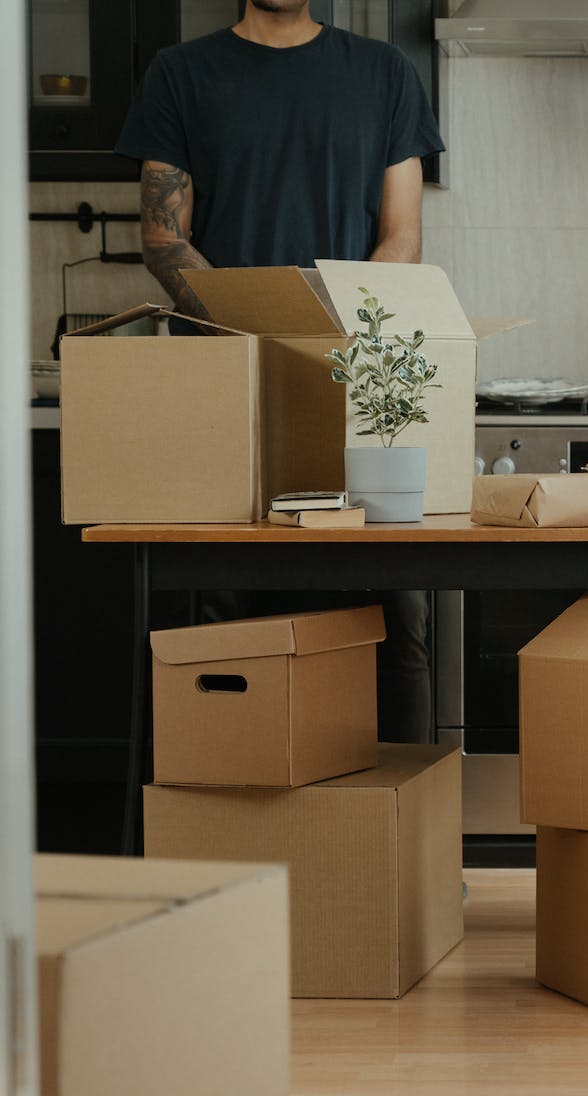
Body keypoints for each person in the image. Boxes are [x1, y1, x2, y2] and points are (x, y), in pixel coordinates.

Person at [116, 0, 443, 742]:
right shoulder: (181, 74)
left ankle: (399, 827)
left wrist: (327, 329)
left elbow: (402, 237)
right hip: (230, 391)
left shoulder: (385, 73)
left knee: (395, 615)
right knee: (227, 612)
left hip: (357, 386)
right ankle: (232, 816)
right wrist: (257, 323)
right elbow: (166, 240)